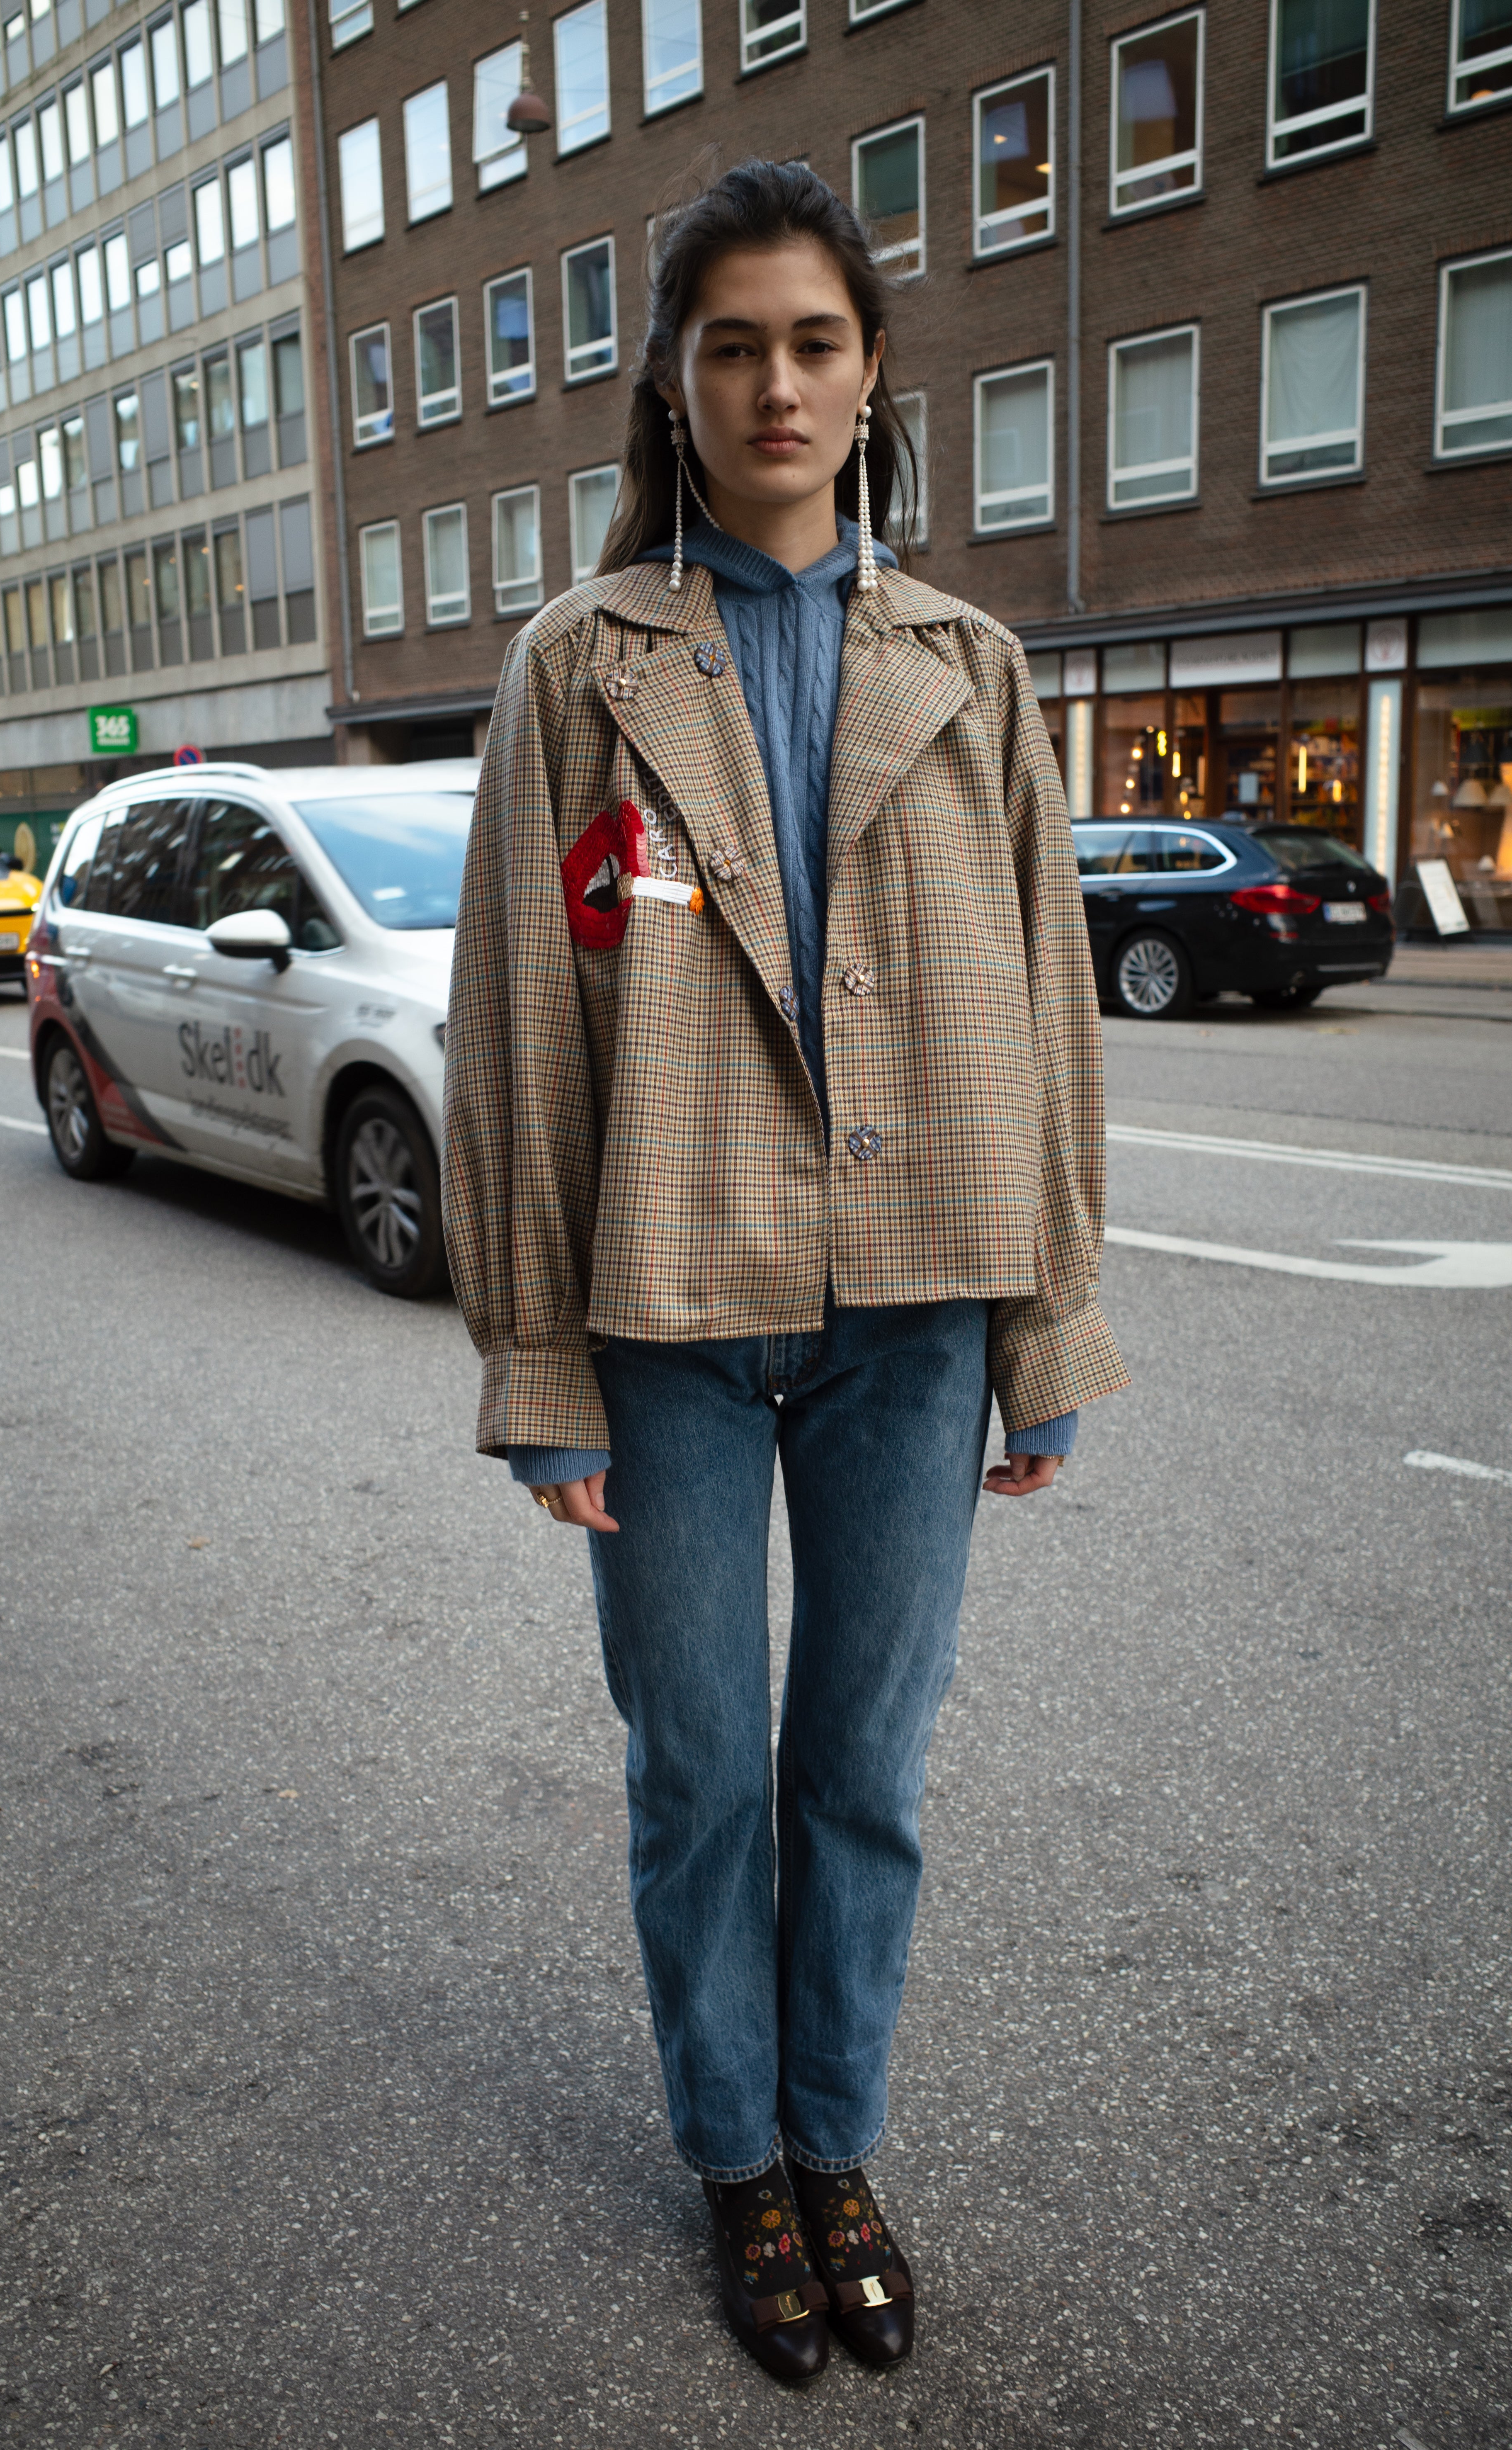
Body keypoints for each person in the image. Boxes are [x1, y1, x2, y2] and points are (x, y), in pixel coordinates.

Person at [442, 158, 1127, 2384]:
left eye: (812, 340)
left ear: (870, 373)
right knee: (698, 1778)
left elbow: (1042, 1009)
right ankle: (736, 2157)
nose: (772, 382)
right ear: (670, 376)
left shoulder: (971, 664)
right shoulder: (578, 664)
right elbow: (521, 1029)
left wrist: (1046, 1324)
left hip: (917, 1311)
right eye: (727, 340)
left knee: (862, 1772)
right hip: (663, 1314)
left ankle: (839, 2139)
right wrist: (534, 1363)